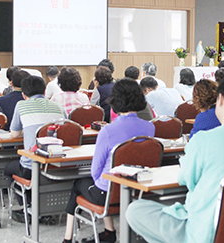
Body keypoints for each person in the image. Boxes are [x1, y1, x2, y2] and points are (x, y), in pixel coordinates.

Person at [126, 75, 224, 243]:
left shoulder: (203, 139)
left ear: (220, 99)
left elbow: (185, 178)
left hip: (202, 232)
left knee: (135, 209)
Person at [61, 78, 155, 243]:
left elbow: (95, 171)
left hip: (107, 194)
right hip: (137, 191)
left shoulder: (108, 131)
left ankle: (68, 239)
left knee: (78, 184)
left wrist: (105, 187)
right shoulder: (150, 127)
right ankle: (108, 232)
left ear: (115, 100)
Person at [4, 76, 65, 212]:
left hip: (31, 167)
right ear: (44, 92)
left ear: (23, 94)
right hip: (56, 164)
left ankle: (26, 206)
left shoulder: (21, 105)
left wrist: (29, 131)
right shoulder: (58, 106)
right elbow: (65, 128)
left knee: (8, 169)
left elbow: (14, 134)